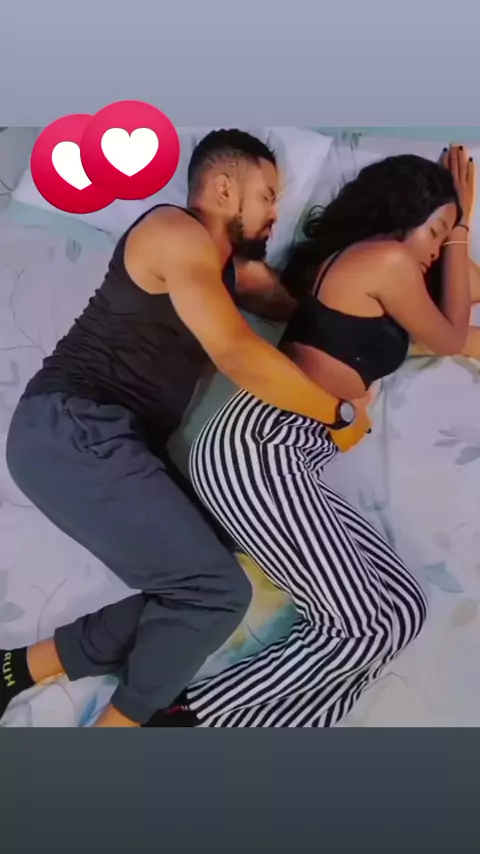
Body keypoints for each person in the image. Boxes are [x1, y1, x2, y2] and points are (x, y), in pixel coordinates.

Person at [0, 129, 368, 728]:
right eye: (267, 196)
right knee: (215, 592)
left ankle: (18, 668)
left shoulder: (229, 275)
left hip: (113, 442)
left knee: (215, 565)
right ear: (223, 187)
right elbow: (238, 353)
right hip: (72, 425)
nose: (276, 214)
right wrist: (335, 414)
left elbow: (322, 316)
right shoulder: (174, 233)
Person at [145, 144, 475, 727]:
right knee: (362, 627)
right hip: (258, 449)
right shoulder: (386, 261)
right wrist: (462, 228)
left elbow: (465, 294)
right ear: (402, 213)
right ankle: (183, 715)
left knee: (401, 611)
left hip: (292, 457)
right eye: (434, 232)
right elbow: (451, 337)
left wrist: (451, 229)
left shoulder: (376, 272)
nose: (437, 248)